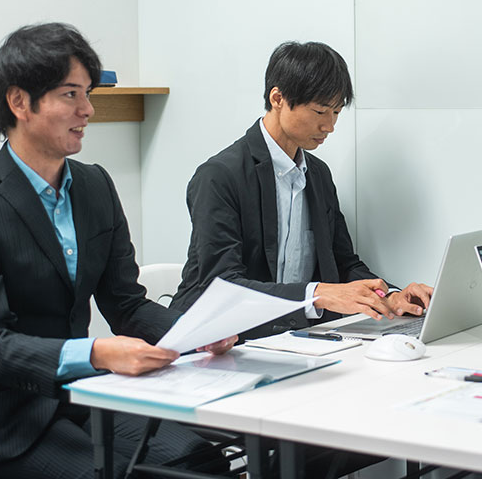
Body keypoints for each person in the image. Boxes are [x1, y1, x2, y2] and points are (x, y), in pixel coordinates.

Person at [0, 23, 240, 479]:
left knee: (204, 467)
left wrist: (195, 331)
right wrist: (98, 353)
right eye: (70, 94)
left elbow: (126, 302)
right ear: (20, 102)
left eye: (88, 94)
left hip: (86, 399)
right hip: (7, 421)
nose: (88, 110)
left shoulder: (95, 185)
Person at [171, 41, 432, 337]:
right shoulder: (219, 176)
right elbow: (222, 284)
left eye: (336, 112)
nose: (330, 126)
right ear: (278, 98)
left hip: (293, 341)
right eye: (320, 111)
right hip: (217, 341)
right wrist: (317, 294)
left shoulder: (318, 174)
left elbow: (343, 264)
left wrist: (391, 298)